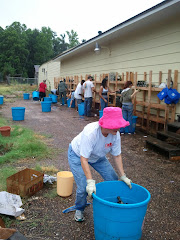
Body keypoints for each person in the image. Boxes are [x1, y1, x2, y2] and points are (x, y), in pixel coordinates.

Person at [68, 107, 132, 222]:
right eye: (115, 125)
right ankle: (79, 208)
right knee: (83, 187)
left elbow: (117, 155)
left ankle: (112, 201)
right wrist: (90, 181)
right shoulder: (91, 133)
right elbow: (84, 159)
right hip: (78, 155)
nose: (118, 128)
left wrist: (123, 175)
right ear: (106, 124)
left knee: (113, 178)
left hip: (98, 156)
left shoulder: (115, 134)